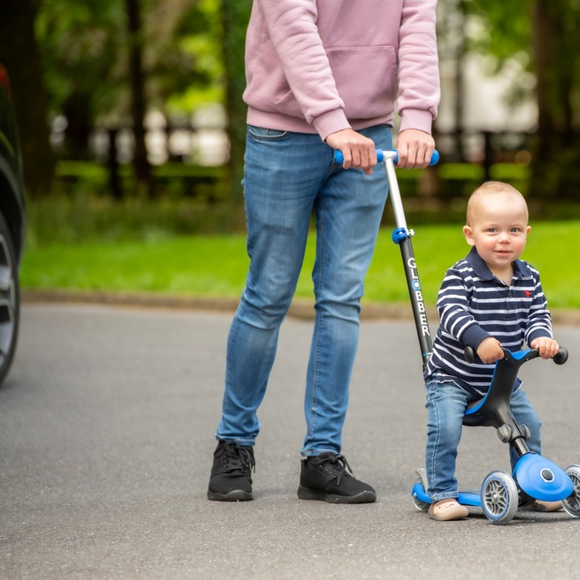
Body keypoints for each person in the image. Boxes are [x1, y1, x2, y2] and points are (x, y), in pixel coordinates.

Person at [207, 0, 440, 504]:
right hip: (283, 132)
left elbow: (417, 27)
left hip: (370, 136)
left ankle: (322, 457)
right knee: (269, 292)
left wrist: (418, 115)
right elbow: (293, 27)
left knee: (342, 298)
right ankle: (234, 445)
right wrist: (331, 121)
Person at [422, 181, 562, 521]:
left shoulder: (529, 277)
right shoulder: (461, 275)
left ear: (526, 232)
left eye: (514, 230)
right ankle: (441, 493)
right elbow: (452, 311)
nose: (504, 239)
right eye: (492, 230)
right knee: (447, 429)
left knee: (530, 424)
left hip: (501, 377)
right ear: (470, 235)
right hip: (453, 376)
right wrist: (479, 338)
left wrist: (541, 337)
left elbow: (537, 315)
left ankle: (530, 488)